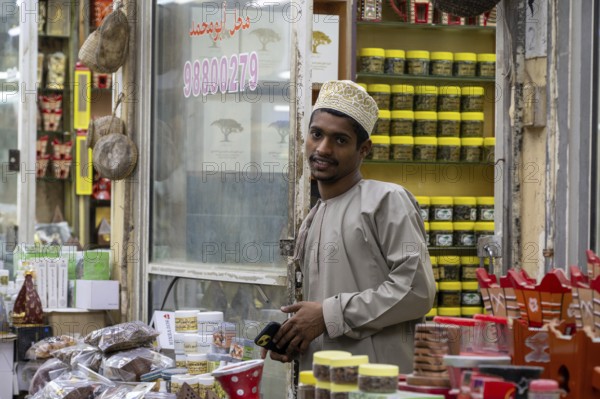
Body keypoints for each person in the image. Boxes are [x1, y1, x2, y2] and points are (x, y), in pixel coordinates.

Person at [261, 80, 436, 373]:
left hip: (376, 386)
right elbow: (321, 316)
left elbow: (416, 290)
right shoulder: (314, 217)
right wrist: (297, 336)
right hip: (324, 382)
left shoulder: (386, 200)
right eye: (316, 135)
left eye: (340, 140)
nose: (323, 148)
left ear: (363, 148)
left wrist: (328, 315)